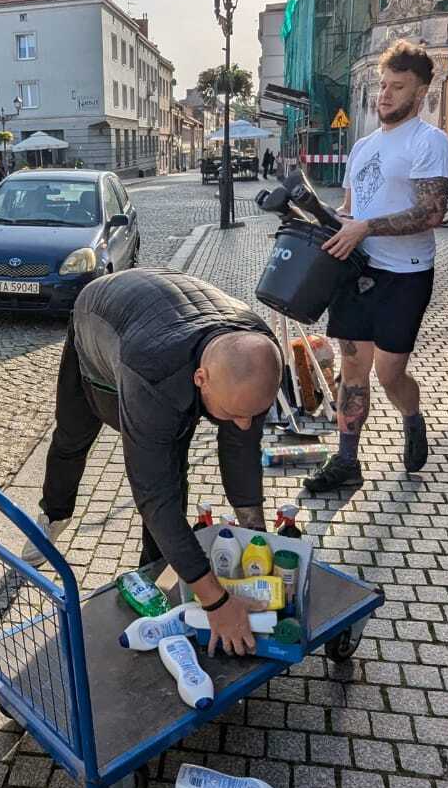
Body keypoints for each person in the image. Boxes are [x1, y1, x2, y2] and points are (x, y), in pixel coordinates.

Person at [27, 269, 284, 655]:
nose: (245, 424)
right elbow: (153, 494)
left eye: (254, 413)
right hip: (99, 323)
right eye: (235, 412)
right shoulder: (151, 371)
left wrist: (257, 534)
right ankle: (54, 513)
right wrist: (216, 602)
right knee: (74, 436)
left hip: (169, 320)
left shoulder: (255, 353)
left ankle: (152, 567)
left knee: (175, 463)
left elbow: (241, 450)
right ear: (201, 378)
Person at [305, 41, 448, 493]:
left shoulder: (430, 143)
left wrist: (365, 227)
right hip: (357, 271)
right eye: (383, 85)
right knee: (352, 371)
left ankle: (411, 415)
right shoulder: (364, 145)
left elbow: (431, 214)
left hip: (405, 274)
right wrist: (333, 223)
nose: (384, 95)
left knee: (389, 374)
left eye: (398, 86)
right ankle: (347, 461)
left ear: (421, 92)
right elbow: (354, 207)